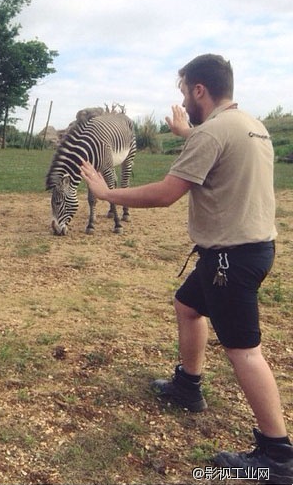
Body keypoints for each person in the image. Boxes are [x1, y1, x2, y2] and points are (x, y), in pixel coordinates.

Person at [79, 53, 292, 483]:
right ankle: (187, 387)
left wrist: (106, 194)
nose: (181, 99)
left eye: (183, 91)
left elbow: (165, 194)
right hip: (247, 250)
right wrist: (188, 133)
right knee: (187, 306)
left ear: (199, 90)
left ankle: (278, 455)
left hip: (230, 258)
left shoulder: (212, 133)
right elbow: (215, 149)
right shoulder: (251, 125)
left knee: (244, 350)